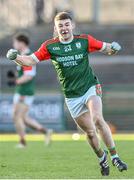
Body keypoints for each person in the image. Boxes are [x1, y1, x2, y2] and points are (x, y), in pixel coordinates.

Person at [7, 12, 127, 175]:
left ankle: (115, 157)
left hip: (90, 86)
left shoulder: (84, 41)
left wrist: (114, 48)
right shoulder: (50, 46)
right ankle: (102, 157)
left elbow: (107, 49)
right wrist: (16, 57)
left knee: (98, 119)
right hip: (72, 95)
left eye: (66, 24)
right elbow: (29, 60)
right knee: (90, 133)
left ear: (72, 25)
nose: (64, 28)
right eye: (60, 25)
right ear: (56, 28)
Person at [11, 33, 52, 148]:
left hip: (24, 91)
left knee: (16, 116)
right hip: (21, 90)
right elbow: (23, 73)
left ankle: (22, 142)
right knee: (23, 118)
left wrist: (16, 81)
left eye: (15, 42)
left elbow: (29, 75)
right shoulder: (21, 55)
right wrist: (15, 76)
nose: (14, 45)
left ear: (21, 43)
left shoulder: (28, 56)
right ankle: (45, 131)